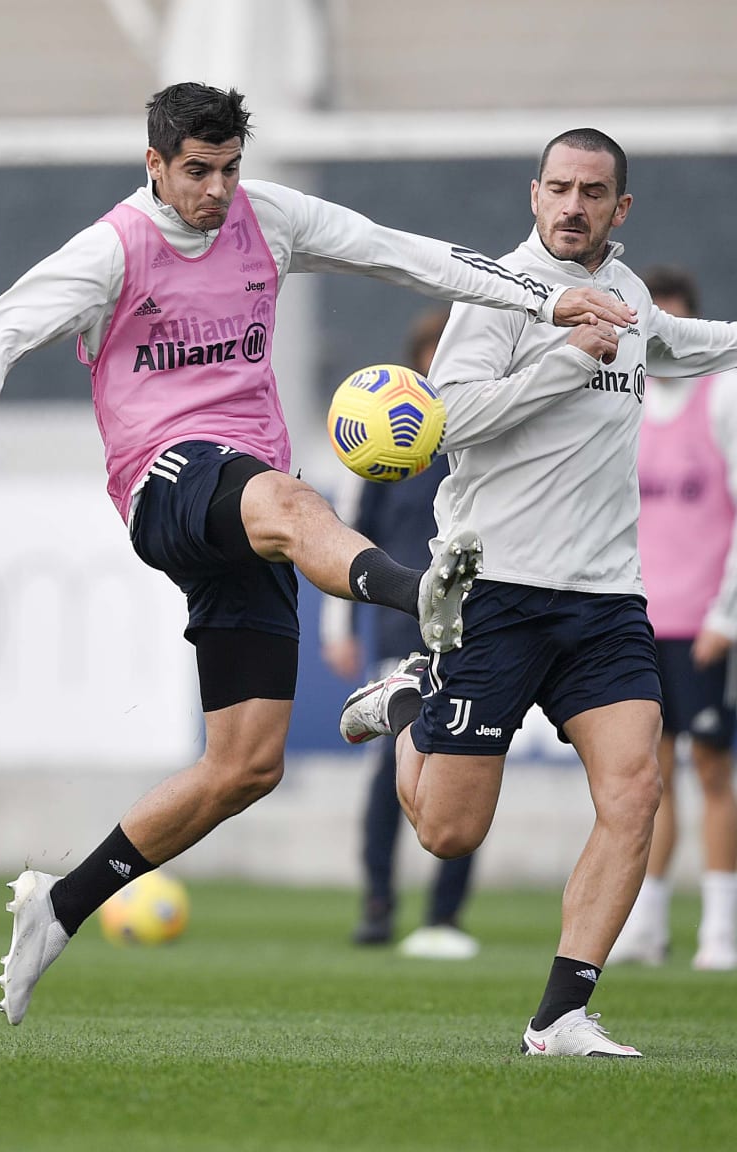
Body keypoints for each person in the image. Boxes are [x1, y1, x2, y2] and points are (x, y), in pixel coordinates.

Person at [0, 86, 632, 1027]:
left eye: (230, 167)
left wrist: (549, 294)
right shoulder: (110, 249)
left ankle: (61, 904)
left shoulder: (266, 216)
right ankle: (421, 601)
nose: (217, 189)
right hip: (165, 482)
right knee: (289, 499)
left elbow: (408, 256)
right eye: (197, 170)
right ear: (154, 164)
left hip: (244, 504)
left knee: (245, 765)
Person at [339, 128, 737, 1057]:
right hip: (496, 589)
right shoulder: (498, 293)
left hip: (604, 599)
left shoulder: (630, 295)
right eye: (558, 188)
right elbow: (447, 418)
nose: (572, 206)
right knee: (448, 831)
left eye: (591, 192)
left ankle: (561, 1015)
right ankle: (405, 706)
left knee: (635, 790)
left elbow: (675, 346)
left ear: (619, 208)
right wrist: (562, 358)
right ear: (533, 195)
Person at [321, 308, 479, 960]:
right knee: (391, 766)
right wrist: (338, 623)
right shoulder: (384, 444)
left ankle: (443, 916)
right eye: (429, 354)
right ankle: (378, 902)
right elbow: (350, 538)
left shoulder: (478, 434)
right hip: (398, 624)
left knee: (468, 764)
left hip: (474, 623)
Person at [607, 266, 737, 971]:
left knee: (714, 771)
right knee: (642, 778)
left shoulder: (722, 401)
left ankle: (720, 929)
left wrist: (727, 613)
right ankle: (645, 927)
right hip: (635, 622)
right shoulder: (623, 403)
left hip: (704, 623)